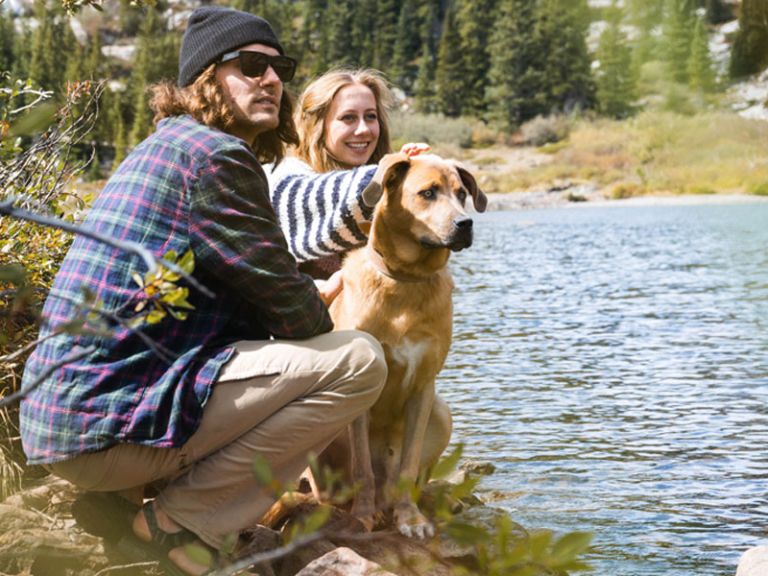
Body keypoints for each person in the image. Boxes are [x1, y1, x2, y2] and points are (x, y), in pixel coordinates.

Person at [18, 7, 387, 576]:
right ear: (204, 79)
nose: (271, 80)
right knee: (358, 361)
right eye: (250, 66)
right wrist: (318, 290)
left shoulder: (164, 147)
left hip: (61, 423)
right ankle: (172, 525)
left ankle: (123, 503)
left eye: (278, 67)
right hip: (103, 431)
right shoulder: (218, 159)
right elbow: (298, 318)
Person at [264, 69, 452, 503]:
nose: (364, 129)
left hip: (368, 376)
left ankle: (398, 492)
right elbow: (325, 209)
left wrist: (421, 180)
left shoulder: (380, 180)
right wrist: (393, 179)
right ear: (316, 125)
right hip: (311, 379)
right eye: (348, 118)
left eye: (372, 117)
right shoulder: (289, 178)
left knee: (435, 409)